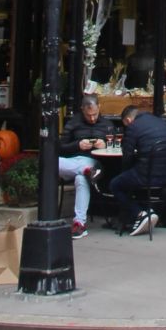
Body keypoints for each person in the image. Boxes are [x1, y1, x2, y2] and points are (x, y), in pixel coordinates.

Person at [108, 103, 166, 238]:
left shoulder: (133, 127)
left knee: (115, 184)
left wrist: (124, 171)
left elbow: (127, 156)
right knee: (128, 179)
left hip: (145, 175)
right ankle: (145, 213)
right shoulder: (164, 123)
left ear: (128, 120)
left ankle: (140, 214)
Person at [59, 93, 108, 236]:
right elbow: (60, 147)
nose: (92, 118)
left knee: (81, 179)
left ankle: (79, 223)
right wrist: (77, 145)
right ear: (82, 110)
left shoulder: (107, 125)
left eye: (95, 114)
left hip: (92, 161)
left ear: (99, 107)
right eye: (88, 115)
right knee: (51, 161)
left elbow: (117, 146)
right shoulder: (73, 123)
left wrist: (105, 145)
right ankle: (85, 170)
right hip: (73, 161)